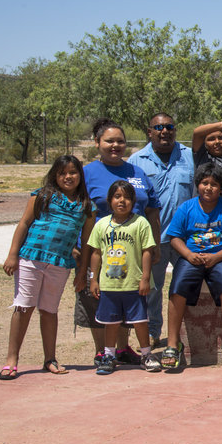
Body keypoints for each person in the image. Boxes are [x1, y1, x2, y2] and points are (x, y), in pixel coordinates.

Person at [0, 156, 95, 380]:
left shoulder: (87, 206)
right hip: (31, 259)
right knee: (24, 306)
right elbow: (24, 223)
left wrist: (82, 273)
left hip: (60, 265)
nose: (68, 177)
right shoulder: (41, 196)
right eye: (62, 173)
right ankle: (11, 359)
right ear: (55, 175)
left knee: (49, 310)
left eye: (73, 172)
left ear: (80, 175)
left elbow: (87, 242)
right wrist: (12, 254)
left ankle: (49, 358)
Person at [76, 119, 161, 361]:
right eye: (109, 141)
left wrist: (153, 243)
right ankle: (103, 351)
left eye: (120, 141)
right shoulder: (87, 174)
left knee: (128, 297)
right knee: (100, 300)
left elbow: (152, 209)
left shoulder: (136, 171)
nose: (115, 145)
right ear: (97, 143)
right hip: (98, 250)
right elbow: (76, 210)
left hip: (133, 251)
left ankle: (122, 349)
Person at [161, 164, 222, 371]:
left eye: (214, 184)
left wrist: (216, 257)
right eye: (204, 183)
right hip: (191, 258)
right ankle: (173, 344)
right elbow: (174, 238)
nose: (208, 188)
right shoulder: (187, 208)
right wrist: (189, 255)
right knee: (177, 288)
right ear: (197, 185)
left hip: (221, 257)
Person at [129, 112, 196, 346]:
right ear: (150, 132)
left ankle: (186, 335)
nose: (164, 131)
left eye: (169, 127)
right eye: (158, 128)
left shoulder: (189, 157)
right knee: (151, 289)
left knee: (185, 288)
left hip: (185, 240)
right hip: (151, 240)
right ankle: (152, 332)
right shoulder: (136, 161)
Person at [87, 180, 159, 374]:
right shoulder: (102, 224)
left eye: (127, 197)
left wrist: (145, 278)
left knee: (140, 321)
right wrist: (93, 279)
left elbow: (146, 251)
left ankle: (146, 354)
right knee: (111, 323)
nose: (122, 201)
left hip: (133, 284)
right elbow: (95, 253)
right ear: (109, 200)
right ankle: (109, 356)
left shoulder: (140, 223)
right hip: (109, 285)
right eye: (117, 197)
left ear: (134, 201)